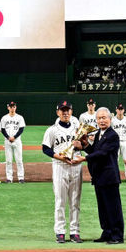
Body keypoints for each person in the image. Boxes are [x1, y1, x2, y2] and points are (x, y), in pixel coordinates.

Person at [76, 107, 124, 244]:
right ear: (96, 120)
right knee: (103, 208)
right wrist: (84, 145)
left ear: (110, 119)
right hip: (99, 177)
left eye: (104, 118)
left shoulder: (113, 135)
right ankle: (107, 232)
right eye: (99, 118)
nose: (101, 120)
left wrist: (85, 159)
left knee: (113, 208)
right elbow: (95, 150)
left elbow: (102, 154)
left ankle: (117, 235)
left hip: (109, 177)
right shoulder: (98, 134)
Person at [41, 100, 84, 244]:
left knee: (75, 201)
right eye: (62, 110)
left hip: (76, 166)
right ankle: (60, 231)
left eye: (68, 110)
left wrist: (84, 142)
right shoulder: (52, 130)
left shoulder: (78, 128)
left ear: (71, 112)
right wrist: (59, 156)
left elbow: (84, 144)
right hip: (60, 166)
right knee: (60, 200)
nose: (65, 113)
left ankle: (74, 231)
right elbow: (46, 148)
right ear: (58, 112)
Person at [1, 101, 26, 183]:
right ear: (8, 107)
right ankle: (9, 178)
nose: (12, 108)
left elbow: (21, 129)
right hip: (7, 141)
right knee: (8, 160)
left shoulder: (20, 117)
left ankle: (21, 178)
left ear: (15, 107)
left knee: (19, 160)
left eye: (13, 106)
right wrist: (8, 137)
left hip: (17, 141)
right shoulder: (4, 118)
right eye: (11, 106)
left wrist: (14, 137)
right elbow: (3, 129)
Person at [110, 104, 126, 184]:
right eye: (119, 109)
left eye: (121, 109)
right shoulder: (112, 120)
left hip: (125, 142)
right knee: (114, 161)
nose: (120, 111)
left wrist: (125, 138)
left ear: (124, 110)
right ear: (116, 110)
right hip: (115, 143)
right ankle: (114, 178)